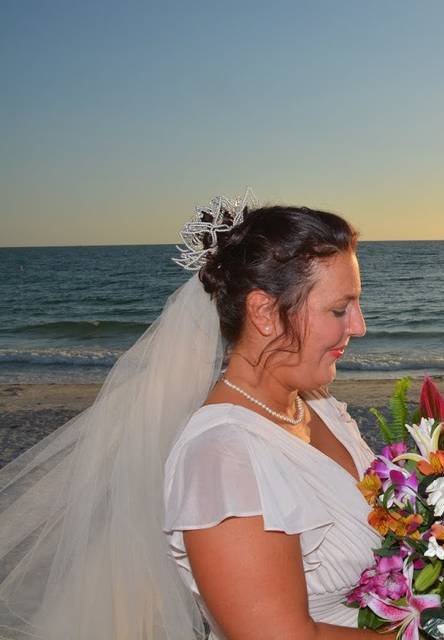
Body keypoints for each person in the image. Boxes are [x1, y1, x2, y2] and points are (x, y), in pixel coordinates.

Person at [0, 192, 383, 640]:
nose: (359, 326)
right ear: (263, 312)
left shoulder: (321, 406)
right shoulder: (223, 461)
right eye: (339, 309)